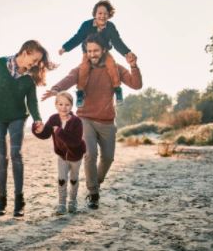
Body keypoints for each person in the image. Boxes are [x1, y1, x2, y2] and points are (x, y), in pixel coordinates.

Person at [44, 33, 142, 209]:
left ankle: (95, 183)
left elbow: (136, 84)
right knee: (90, 155)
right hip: (85, 118)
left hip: (107, 120)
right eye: (89, 51)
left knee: (108, 158)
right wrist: (55, 89)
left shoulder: (116, 69)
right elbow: (69, 78)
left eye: (96, 50)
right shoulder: (81, 69)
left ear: (103, 49)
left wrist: (133, 66)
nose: (92, 54)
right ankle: (94, 193)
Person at [0, 40, 55, 217]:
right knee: (2, 158)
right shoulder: (0, 64)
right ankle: (1, 200)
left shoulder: (29, 77)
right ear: (25, 52)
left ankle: (19, 201)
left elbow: (31, 102)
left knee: (16, 155)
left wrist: (38, 119)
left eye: (36, 62)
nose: (34, 65)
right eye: (33, 60)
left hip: (18, 118)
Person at [58, 0, 137, 106]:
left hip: (104, 52)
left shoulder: (110, 27)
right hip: (88, 53)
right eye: (100, 13)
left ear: (109, 15)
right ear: (95, 14)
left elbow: (117, 42)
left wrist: (127, 52)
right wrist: (65, 47)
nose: (102, 16)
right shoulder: (87, 25)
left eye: (105, 14)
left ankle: (117, 89)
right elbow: (78, 38)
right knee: (84, 69)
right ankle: (80, 92)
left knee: (112, 66)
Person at [32, 91, 86, 214]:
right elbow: (45, 134)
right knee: (62, 179)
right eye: (60, 104)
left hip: (76, 156)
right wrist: (38, 130)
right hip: (61, 155)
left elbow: (75, 142)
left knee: (73, 179)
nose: (63, 107)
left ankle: (72, 201)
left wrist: (59, 132)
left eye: (67, 104)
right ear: (56, 105)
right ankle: (61, 204)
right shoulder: (53, 119)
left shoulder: (77, 121)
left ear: (71, 106)